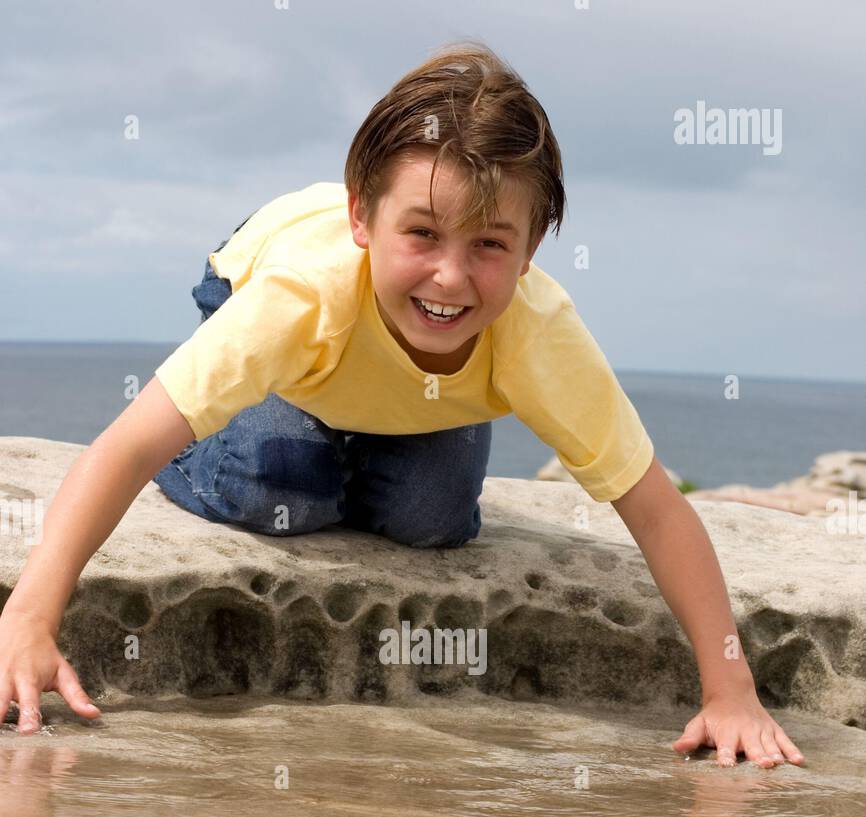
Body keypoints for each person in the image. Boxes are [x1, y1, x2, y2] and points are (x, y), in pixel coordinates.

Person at [0, 40, 804, 767]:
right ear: (362, 216)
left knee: (432, 516)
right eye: (422, 234)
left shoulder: (537, 334)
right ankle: (287, 436)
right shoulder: (297, 297)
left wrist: (730, 690)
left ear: (530, 254)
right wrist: (32, 616)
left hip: (410, 390)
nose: (452, 276)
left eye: (490, 244)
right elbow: (125, 447)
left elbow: (657, 509)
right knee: (279, 478)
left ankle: (362, 432)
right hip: (258, 272)